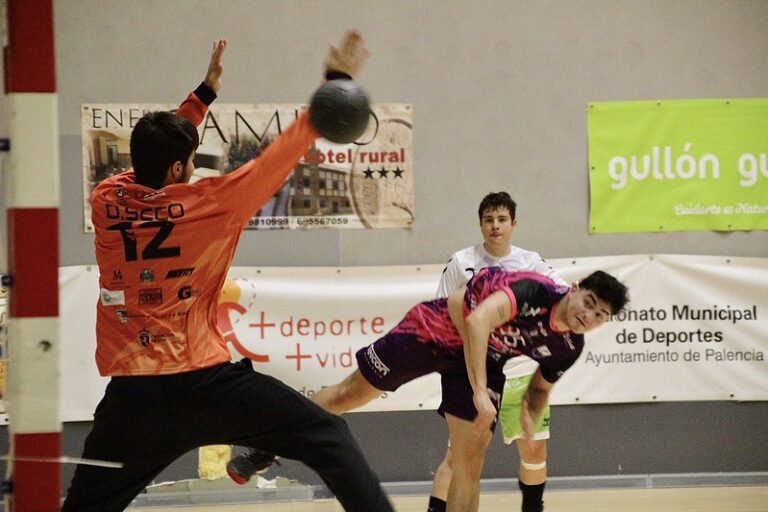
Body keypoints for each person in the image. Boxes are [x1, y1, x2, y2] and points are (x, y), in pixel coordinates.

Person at [62, 31, 394, 512]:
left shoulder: (107, 199)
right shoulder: (212, 205)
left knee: (86, 507)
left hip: (135, 399)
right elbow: (277, 158)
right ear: (178, 169)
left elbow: (155, 155)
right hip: (208, 386)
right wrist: (331, 87)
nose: (194, 168)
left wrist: (201, 98)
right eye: (190, 162)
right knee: (329, 437)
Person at [230, 262, 628, 512]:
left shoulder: (569, 346)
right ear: (574, 289)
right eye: (588, 301)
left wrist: (529, 415)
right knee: (348, 395)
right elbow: (476, 322)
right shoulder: (533, 291)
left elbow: (540, 390)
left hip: (482, 359)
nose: (588, 315)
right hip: (434, 330)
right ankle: (266, 447)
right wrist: (478, 391)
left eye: (600, 314)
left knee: (472, 458)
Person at [429, 191, 567, 512]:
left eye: (502, 219)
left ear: (514, 224)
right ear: (480, 225)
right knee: (459, 458)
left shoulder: (531, 262)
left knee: (533, 449)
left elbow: (563, 295)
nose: (495, 226)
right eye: (489, 220)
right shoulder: (462, 262)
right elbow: (440, 311)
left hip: (519, 369)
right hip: (476, 371)